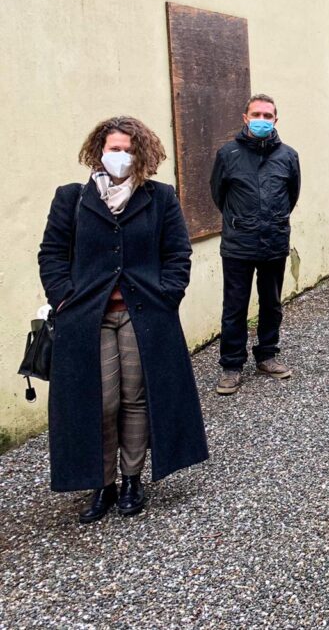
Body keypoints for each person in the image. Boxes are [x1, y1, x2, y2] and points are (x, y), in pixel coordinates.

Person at [38, 116, 208, 523]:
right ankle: (103, 483)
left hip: (142, 313)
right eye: (114, 148)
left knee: (136, 397)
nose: (121, 156)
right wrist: (63, 297)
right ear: (99, 151)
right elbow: (52, 254)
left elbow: (177, 253)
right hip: (88, 316)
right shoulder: (72, 198)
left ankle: (132, 479)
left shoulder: (159, 197)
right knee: (101, 400)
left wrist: (168, 294)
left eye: (129, 150)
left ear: (141, 154)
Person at [210, 93, 301, 396]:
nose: (262, 120)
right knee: (235, 306)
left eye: (267, 116)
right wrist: (242, 221)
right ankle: (231, 365)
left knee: (271, 302)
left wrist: (273, 220)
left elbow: (291, 195)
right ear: (245, 118)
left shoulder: (288, 156)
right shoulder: (228, 154)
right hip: (239, 244)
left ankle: (267, 354)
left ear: (276, 119)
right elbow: (218, 194)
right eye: (256, 115)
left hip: (274, 241)